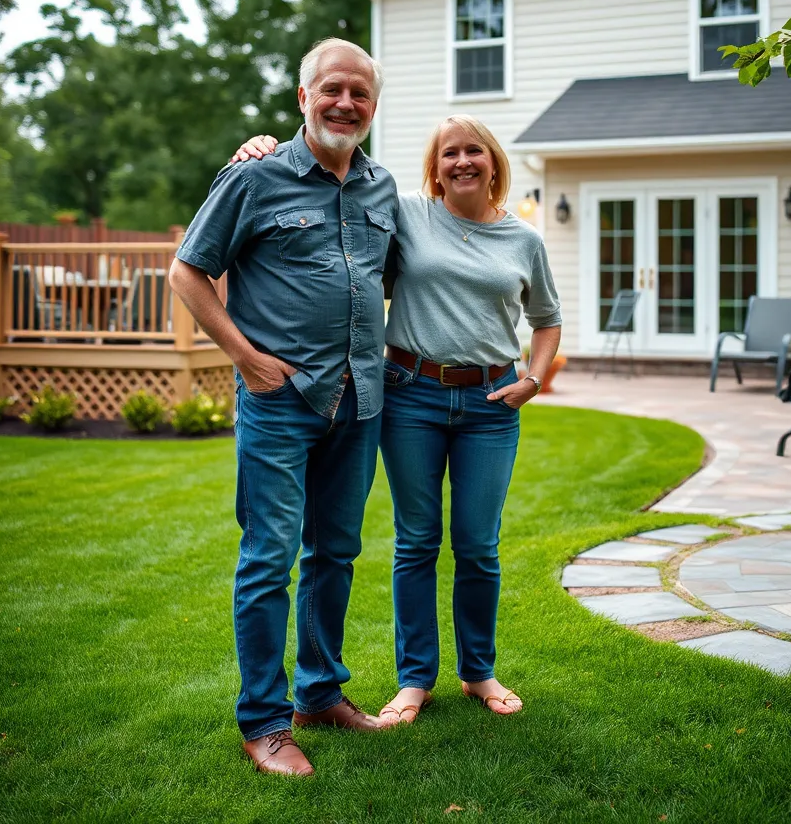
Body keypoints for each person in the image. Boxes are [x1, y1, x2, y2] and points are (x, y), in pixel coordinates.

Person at [231, 114, 561, 727]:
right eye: (449, 153)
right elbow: (329, 193)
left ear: (494, 163)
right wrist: (263, 147)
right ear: (434, 168)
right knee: (415, 542)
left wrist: (533, 381)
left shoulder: (525, 241)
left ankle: (478, 672)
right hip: (409, 395)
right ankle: (416, 680)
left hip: (491, 405)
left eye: (474, 151)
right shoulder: (405, 211)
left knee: (478, 545)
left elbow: (547, 319)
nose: (462, 161)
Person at [169, 38, 397, 779]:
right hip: (279, 401)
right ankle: (264, 722)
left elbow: (386, 278)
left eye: (360, 94)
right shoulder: (254, 177)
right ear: (304, 97)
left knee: (336, 553)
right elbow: (188, 270)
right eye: (332, 89)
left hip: (359, 400)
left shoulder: (382, 188)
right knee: (269, 558)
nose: (345, 103)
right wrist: (244, 356)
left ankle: (320, 694)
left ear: (372, 106)